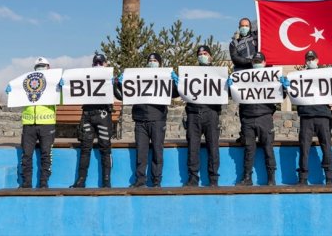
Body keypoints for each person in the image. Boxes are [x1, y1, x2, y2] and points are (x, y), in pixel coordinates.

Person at [116, 52, 178, 188]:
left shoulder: (165, 78)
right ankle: (140, 181)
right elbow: (125, 94)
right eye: (150, 60)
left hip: (157, 120)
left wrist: (176, 83)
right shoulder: (139, 77)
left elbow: (174, 93)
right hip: (140, 120)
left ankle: (156, 181)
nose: (152, 62)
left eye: (155, 60)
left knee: (157, 151)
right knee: (141, 153)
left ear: (160, 64)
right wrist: (119, 84)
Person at [281, 50, 332, 185]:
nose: (310, 61)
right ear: (305, 61)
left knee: (326, 147)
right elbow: (293, 92)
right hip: (306, 116)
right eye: (308, 59)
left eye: (312, 58)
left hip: (323, 115)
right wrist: (286, 87)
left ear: (317, 60)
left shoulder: (326, 74)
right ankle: (303, 178)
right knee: (304, 148)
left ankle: (329, 177)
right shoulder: (299, 76)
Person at [5, 57, 57, 189]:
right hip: (28, 123)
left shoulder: (54, 82)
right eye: (38, 66)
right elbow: (18, 96)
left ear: (48, 67)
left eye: (43, 65)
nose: (41, 68)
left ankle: (44, 183)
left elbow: (63, 98)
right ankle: (26, 183)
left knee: (46, 154)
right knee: (26, 155)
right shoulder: (27, 81)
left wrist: (61, 87)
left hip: (47, 123)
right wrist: (12, 91)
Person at [70, 53, 115, 188]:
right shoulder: (85, 77)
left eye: (101, 63)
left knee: (105, 148)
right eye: (96, 63)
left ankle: (106, 181)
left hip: (103, 115)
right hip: (88, 115)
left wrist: (116, 83)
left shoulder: (110, 78)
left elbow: (121, 94)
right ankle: (81, 180)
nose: (98, 65)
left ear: (106, 64)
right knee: (85, 148)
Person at [234, 52, 277, 186]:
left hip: (264, 117)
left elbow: (282, 94)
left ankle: (271, 178)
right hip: (248, 118)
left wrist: (284, 86)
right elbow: (234, 95)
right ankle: (247, 178)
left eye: (259, 61)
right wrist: (230, 86)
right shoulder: (244, 77)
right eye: (254, 61)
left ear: (264, 63)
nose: (257, 64)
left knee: (268, 148)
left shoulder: (272, 78)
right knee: (249, 150)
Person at [184, 45, 222, 187]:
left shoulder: (218, 73)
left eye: (205, 53)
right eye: (200, 54)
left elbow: (226, 92)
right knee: (193, 148)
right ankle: (193, 178)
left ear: (210, 56)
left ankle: (213, 179)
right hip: (193, 113)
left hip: (211, 113)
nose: (202, 55)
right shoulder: (190, 73)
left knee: (213, 147)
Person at [229, 17, 257, 143]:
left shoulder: (257, 38)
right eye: (242, 25)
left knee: (261, 102)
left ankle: (262, 131)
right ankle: (244, 133)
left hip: (258, 76)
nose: (244, 27)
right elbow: (235, 58)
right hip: (243, 77)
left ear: (250, 27)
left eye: (246, 25)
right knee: (244, 104)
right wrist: (251, 62)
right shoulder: (234, 43)